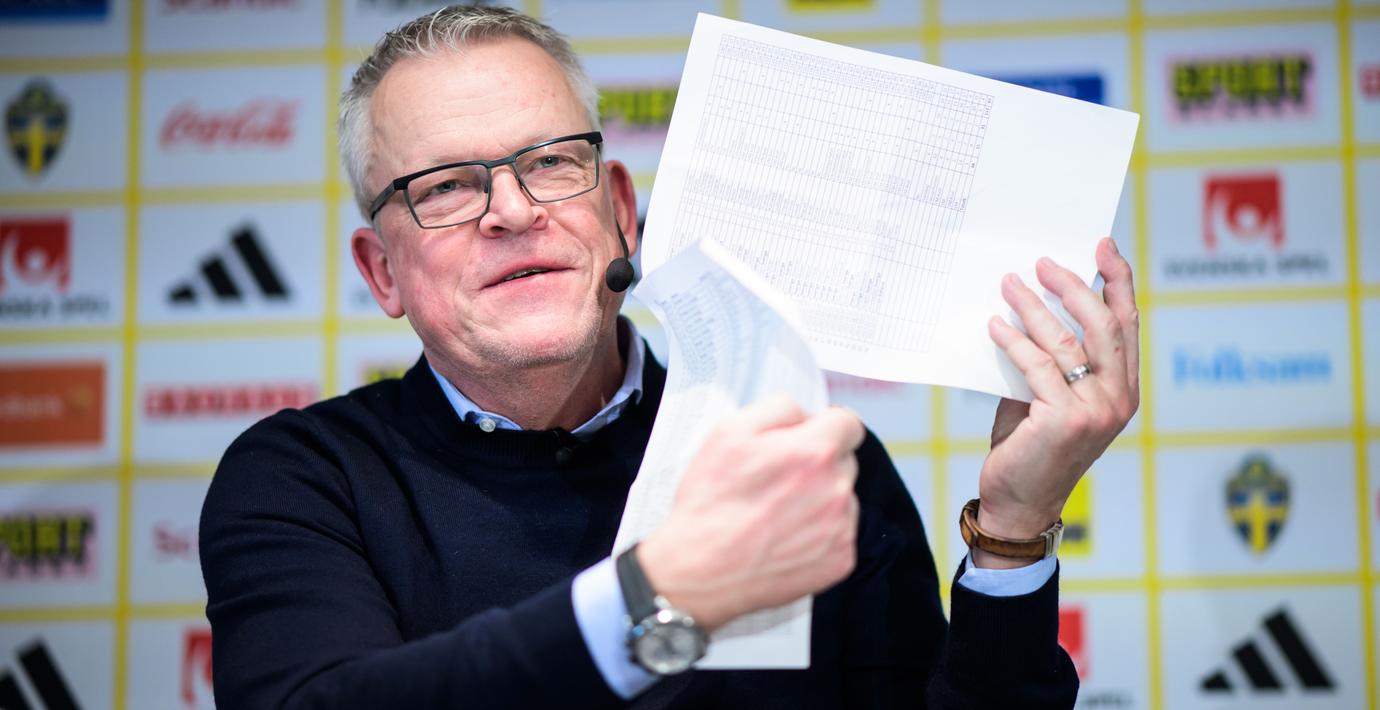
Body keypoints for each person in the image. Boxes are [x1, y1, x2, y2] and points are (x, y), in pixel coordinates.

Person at [199, 5, 1140, 708]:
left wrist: (1014, 532)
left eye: (549, 162)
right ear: (382, 271)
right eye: (445, 187)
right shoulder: (304, 478)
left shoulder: (802, 456)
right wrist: (658, 598)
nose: (513, 211)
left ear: (619, 207)